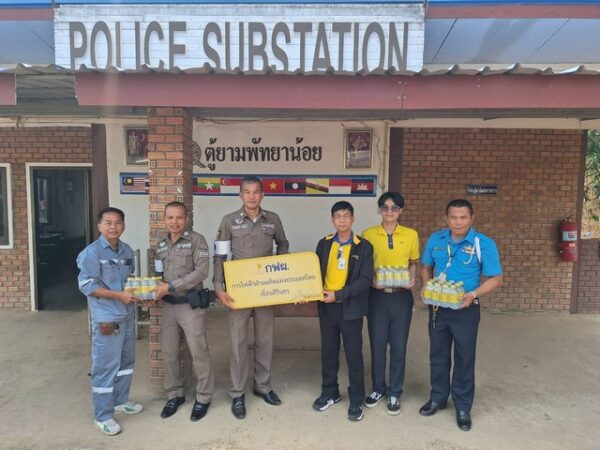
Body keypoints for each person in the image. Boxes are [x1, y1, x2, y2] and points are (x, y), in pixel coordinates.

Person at [419, 199, 503, 431]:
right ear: (446, 218)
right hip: (437, 307)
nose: (458, 222)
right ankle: (438, 397)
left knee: (464, 357)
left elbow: (497, 279)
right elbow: (425, 267)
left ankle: (463, 406)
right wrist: (426, 286)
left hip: (466, 309)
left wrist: (473, 294)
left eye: (463, 217)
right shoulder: (436, 239)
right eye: (454, 217)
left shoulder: (483, 243)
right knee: (438, 354)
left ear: (472, 218)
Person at [213, 176, 289, 419]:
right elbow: (220, 256)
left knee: (265, 339)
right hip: (239, 290)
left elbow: (283, 244)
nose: (252, 196)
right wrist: (219, 287)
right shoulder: (229, 221)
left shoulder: (273, 219)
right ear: (240, 195)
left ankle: (262, 386)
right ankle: (237, 393)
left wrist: (277, 271)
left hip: (265, 289)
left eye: (256, 192)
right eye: (247, 192)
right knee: (238, 341)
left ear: (262, 195)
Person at [77, 207, 144, 436]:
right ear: (99, 226)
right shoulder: (91, 253)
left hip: (127, 314)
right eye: (108, 222)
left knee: (126, 362)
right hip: (107, 318)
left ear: (123, 225)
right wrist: (119, 296)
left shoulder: (126, 250)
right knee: (105, 366)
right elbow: (87, 286)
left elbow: (129, 282)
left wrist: (143, 294)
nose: (113, 227)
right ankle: (103, 416)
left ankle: (120, 401)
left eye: (118, 222)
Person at [152, 201, 214, 421]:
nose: (174, 222)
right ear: (164, 219)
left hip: (190, 305)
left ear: (186, 219)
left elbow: (202, 272)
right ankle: (175, 394)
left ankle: (203, 397)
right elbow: (158, 276)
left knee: (198, 351)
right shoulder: (160, 246)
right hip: (168, 306)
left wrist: (170, 286)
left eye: (179, 217)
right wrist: (151, 293)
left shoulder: (197, 240)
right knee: (169, 352)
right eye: (170, 217)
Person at [313, 201, 374, 422]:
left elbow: (365, 280)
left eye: (346, 216)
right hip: (327, 308)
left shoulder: (363, 246)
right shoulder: (324, 243)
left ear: (353, 219)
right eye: (337, 216)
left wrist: (338, 295)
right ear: (332, 220)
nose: (342, 220)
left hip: (350, 309)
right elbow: (314, 273)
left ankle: (356, 398)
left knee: (353, 355)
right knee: (328, 353)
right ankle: (330, 392)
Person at [361, 192, 419, 415]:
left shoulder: (411, 235)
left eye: (394, 208)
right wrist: (370, 281)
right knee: (377, 344)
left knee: (398, 345)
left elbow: (413, 262)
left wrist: (412, 278)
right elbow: (364, 265)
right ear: (379, 210)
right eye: (385, 207)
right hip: (376, 296)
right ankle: (378, 388)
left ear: (401, 210)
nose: (389, 211)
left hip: (401, 296)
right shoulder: (368, 234)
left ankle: (395, 391)